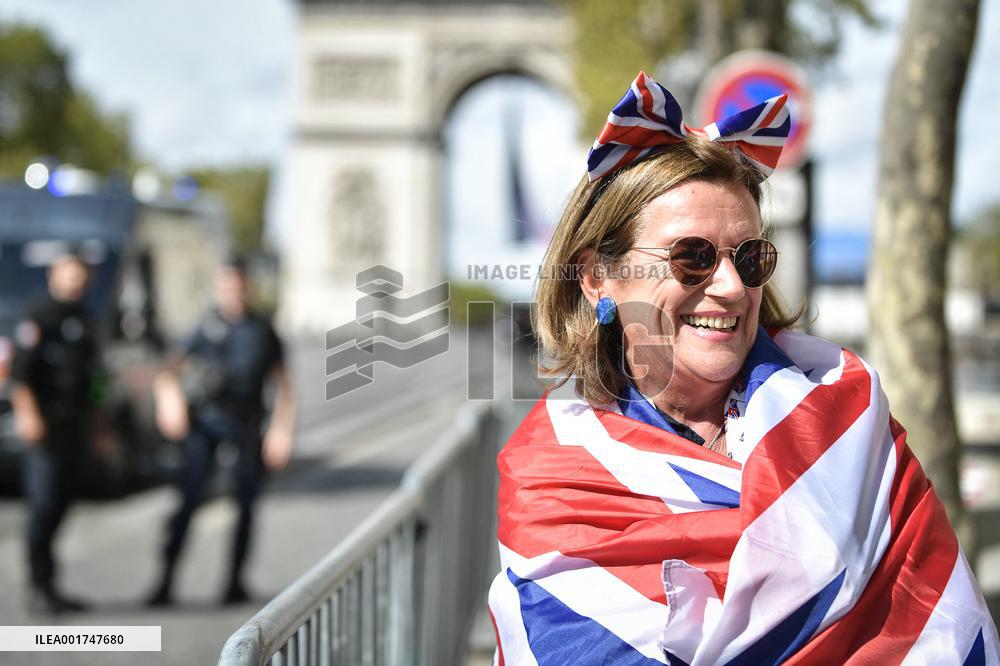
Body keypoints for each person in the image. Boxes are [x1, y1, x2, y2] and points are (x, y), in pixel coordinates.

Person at [488, 72, 999, 664]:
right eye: (692, 257)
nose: (732, 287)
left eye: (751, 256)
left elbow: (940, 623)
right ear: (599, 277)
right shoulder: (552, 477)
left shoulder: (850, 418)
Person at [147, 256, 295, 606]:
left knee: (245, 505)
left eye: (239, 286)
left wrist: (281, 431)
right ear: (219, 288)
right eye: (227, 286)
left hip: (245, 426)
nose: (234, 292)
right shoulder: (206, 325)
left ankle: (234, 582)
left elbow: (284, 386)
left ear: (248, 288)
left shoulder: (262, 329)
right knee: (188, 501)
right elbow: (167, 371)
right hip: (206, 425)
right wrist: (169, 401)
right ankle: (165, 581)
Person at [10, 248, 108, 614]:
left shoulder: (86, 318)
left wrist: (100, 429)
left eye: (81, 276)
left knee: (64, 503)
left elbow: (97, 380)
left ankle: (51, 585)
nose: (74, 282)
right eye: (69, 274)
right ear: (54, 274)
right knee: (44, 504)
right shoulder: (39, 314)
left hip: (76, 426)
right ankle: (38, 586)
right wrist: (28, 414)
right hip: (45, 427)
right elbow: (20, 374)